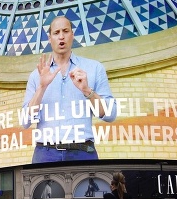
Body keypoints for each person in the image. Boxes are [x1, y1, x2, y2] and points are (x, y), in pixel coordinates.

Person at [21, 15, 117, 163]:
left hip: (83, 151)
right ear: (49, 38)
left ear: (72, 34)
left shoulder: (94, 68)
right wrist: (42, 87)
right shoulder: (37, 76)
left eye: (65, 31)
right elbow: (25, 121)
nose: (61, 37)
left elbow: (110, 114)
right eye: (56, 32)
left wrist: (87, 91)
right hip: (45, 153)